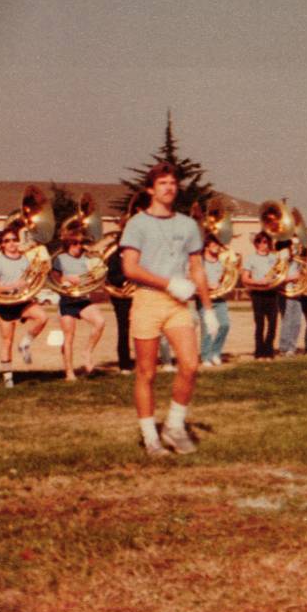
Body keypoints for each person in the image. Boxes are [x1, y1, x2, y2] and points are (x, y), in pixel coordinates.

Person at [120, 162, 217, 457]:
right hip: (149, 300)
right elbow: (129, 268)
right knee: (146, 372)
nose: (169, 188)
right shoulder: (137, 223)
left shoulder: (188, 225)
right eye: (162, 183)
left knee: (189, 364)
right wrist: (168, 283)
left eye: (173, 183)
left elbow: (197, 268)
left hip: (178, 305)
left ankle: (174, 426)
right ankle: (151, 437)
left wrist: (208, 308)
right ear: (151, 189)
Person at [0, 226, 49, 388]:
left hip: (23, 302)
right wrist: (12, 285)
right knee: (7, 341)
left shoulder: (26, 259)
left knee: (43, 317)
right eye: (7, 241)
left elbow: (34, 278)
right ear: (2, 245)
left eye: (14, 239)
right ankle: (8, 378)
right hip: (5, 304)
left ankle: (25, 343)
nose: (12, 243)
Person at [50, 231, 106, 380]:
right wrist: (67, 278)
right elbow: (54, 278)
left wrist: (95, 275)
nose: (78, 247)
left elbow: (94, 277)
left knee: (100, 321)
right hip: (67, 301)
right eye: (75, 244)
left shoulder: (87, 259)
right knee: (69, 338)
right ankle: (69, 372)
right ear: (68, 244)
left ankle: (87, 352)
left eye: (80, 243)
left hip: (82, 299)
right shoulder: (60, 259)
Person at [241, 232, 280, 360]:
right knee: (260, 325)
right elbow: (245, 278)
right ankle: (259, 352)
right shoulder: (250, 258)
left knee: (273, 324)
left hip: (272, 293)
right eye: (261, 242)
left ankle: (269, 351)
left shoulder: (274, 258)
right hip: (258, 293)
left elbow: (279, 274)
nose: (264, 244)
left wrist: (275, 279)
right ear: (256, 244)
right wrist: (258, 282)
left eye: (266, 241)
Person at [198, 235, 232, 366]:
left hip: (220, 299)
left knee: (224, 325)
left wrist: (225, 285)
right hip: (203, 298)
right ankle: (206, 356)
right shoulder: (200, 262)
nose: (217, 248)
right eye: (213, 245)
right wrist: (207, 285)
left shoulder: (221, 262)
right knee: (207, 329)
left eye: (217, 245)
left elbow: (227, 278)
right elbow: (193, 279)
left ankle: (215, 353)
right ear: (206, 247)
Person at [105, 245, 135, 374]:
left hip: (135, 295)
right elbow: (111, 278)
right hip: (120, 297)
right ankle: (124, 364)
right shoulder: (113, 259)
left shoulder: (135, 257)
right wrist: (127, 277)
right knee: (123, 330)